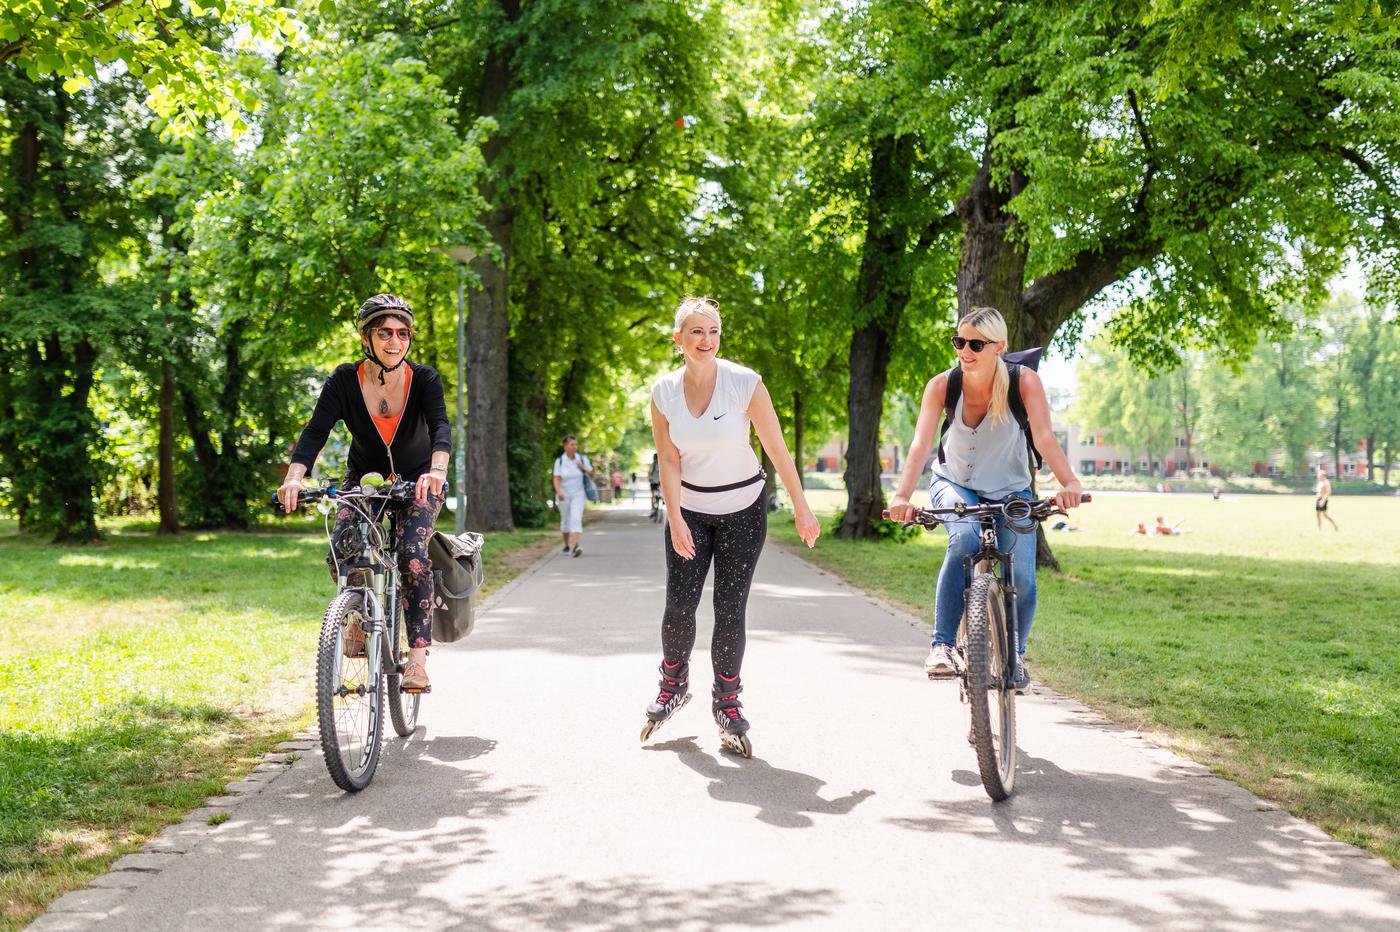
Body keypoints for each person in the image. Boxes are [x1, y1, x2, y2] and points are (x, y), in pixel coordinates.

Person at [643, 295, 821, 753]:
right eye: (696, 332)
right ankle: (672, 683)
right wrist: (675, 518)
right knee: (680, 603)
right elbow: (668, 459)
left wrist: (802, 507)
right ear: (678, 338)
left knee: (729, 606)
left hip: (743, 509)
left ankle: (727, 701)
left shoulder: (744, 383)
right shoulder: (663, 392)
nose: (706, 340)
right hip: (690, 511)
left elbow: (776, 447)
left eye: (714, 331)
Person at [888, 306, 1083, 693]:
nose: (965, 351)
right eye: (959, 341)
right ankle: (943, 646)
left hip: (1011, 489)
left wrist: (1070, 482)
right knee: (965, 539)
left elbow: (1044, 437)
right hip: (954, 482)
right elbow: (920, 444)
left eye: (976, 344)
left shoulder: (1023, 382)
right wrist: (902, 495)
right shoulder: (943, 386)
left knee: (1022, 576)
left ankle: (1016, 655)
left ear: (999, 347)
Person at [276, 293, 450, 691]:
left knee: (412, 556)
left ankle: (417, 660)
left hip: (420, 479)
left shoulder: (424, 379)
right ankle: (356, 615)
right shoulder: (344, 380)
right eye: (385, 332)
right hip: (364, 478)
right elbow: (315, 432)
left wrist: (436, 471)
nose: (395, 341)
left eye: (403, 333)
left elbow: (441, 427)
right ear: (365, 338)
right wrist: (294, 477)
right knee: (343, 548)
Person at [553, 435, 595, 556]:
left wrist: (583, 467)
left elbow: (592, 474)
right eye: (572, 444)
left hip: (578, 493)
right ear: (565, 446)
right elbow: (556, 478)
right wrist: (559, 492)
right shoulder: (560, 461)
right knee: (565, 520)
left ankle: (576, 546)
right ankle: (566, 545)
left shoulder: (581, 459)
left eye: (576, 444)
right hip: (564, 494)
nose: (575, 447)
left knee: (576, 518)